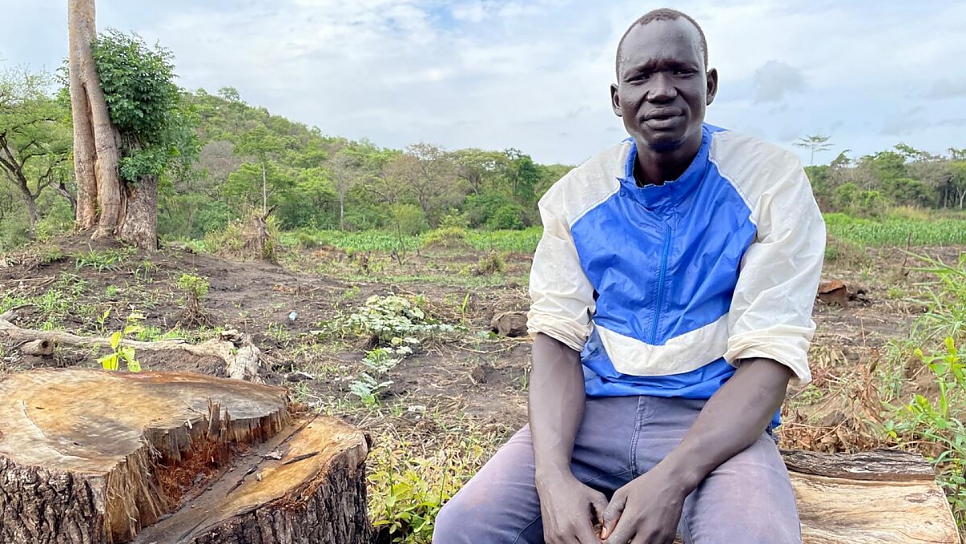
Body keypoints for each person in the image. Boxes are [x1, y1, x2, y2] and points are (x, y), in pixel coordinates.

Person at [433, 7, 824, 544]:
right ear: (617, 99)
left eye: (681, 72)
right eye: (640, 77)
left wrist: (673, 481)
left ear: (708, 84)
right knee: (465, 528)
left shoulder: (769, 183)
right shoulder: (576, 199)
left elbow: (770, 356)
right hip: (593, 417)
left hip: (711, 422)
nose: (661, 91)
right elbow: (555, 342)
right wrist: (552, 480)